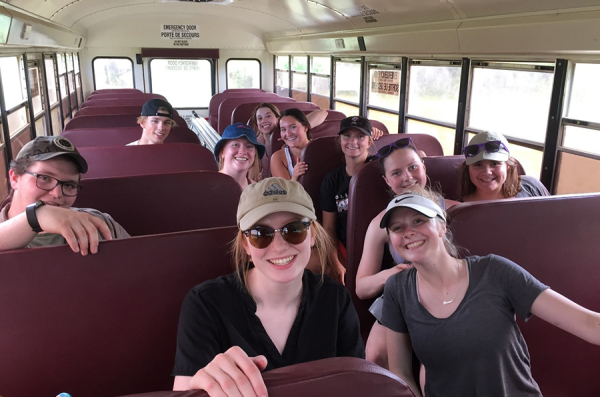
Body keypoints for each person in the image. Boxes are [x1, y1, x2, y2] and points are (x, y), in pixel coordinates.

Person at [379, 190, 600, 397]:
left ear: (441, 227)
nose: (408, 232)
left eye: (419, 221)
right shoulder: (397, 290)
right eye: (397, 228)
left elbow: (589, 324)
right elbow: (400, 372)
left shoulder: (494, 271)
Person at [172, 177, 365, 395]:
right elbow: (183, 390)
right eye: (260, 234)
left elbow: (356, 383)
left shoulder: (335, 299)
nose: (280, 247)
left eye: (294, 229)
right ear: (246, 244)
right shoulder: (205, 304)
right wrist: (202, 386)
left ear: (311, 235)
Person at [355, 137, 457, 368]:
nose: (408, 177)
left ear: (424, 167)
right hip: (405, 293)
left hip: (451, 292)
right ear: (387, 180)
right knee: (375, 355)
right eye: (397, 172)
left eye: (413, 167)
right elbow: (361, 288)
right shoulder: (380, 224)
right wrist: (394, 274)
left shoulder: (457, 211)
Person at [0, 136, 129, 255]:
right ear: (15, 178)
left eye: (69, 185)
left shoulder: (99, 223)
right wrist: (33, 218)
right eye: (44, 178)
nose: (57, 194)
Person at [320, 116, 375, 253]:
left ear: (369, 142)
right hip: (347, 248)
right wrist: (334, 261)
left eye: (361, 136)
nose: (353, 141)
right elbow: (329, 228)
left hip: (381, 245)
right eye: (347, 135)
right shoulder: (332, 180)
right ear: (340, 140)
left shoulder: (381, 171)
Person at [460, 131, 549, 201]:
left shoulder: (531, 187)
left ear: (507, 165)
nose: (487, 172)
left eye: (494, 163)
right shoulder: (458, 210)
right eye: (478, 165)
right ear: (469, 169)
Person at [214, 123, 266, 190]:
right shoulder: (209, 187)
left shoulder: (258, 191)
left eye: (249, 146)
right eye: (235, 145)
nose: (243, 152)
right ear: (222, 152)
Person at [270, 109, 312, 181]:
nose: (288, 134)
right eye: (283, 129)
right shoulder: (278, 157)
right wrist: (295, 177)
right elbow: (285, 191)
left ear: (306, 127)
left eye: (293, 127)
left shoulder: (320, 149)